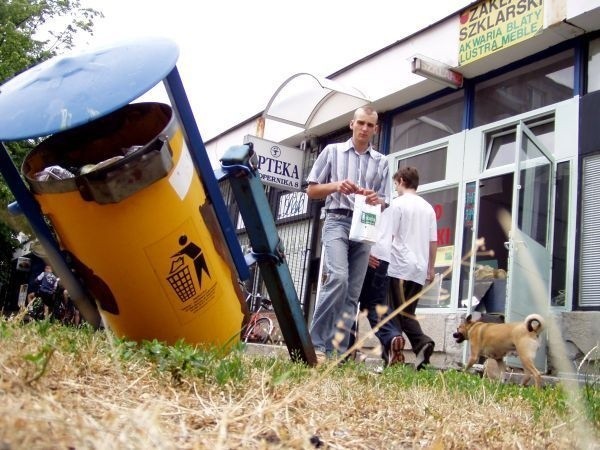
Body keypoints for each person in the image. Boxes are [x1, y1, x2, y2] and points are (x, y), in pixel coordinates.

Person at [306, 106, 391, 364]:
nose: (365, 128)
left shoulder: (382, 162)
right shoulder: (332, 152)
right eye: (361, 123)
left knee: (352, 293)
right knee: (338, 279)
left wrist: (378, 200)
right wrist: (336, 185)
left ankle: (337, 354)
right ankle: (316, 343)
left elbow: (385, 200)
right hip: (337, 220)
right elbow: (311, 191)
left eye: (370, 125)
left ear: (376, 129)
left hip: (365, 225)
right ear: (351, 124)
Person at [388, 167, 437, 370]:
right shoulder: (428, 208)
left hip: (398, 267)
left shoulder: (397, 204)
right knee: (407, 313)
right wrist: (431, 269)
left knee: (395, 314)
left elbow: (389, 236)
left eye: (395, 184)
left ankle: (421, 343)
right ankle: (407, 355)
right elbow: (433, 241)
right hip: (418, 269)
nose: (395, 188)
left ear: (400, 180)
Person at [352, 206, 405, 366]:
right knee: (375, 305)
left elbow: (360, 224)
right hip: (383, 257)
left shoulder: (366, 191)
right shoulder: (393, 204)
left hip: (367, 252)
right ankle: (392, 336)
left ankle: (346, 351)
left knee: (350, 303)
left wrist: (363, 252)